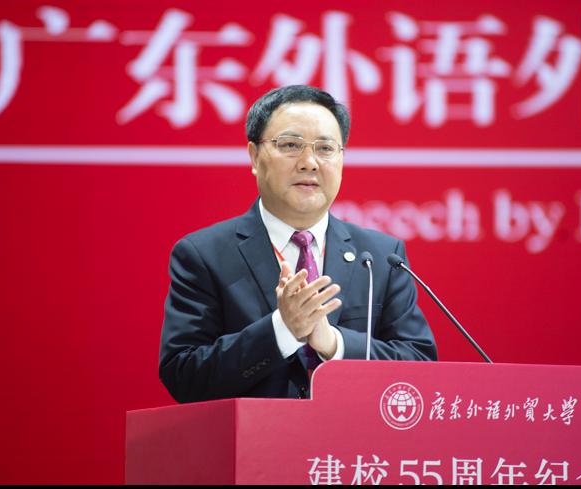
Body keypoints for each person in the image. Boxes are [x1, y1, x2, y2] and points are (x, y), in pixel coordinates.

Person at [159, 85, 437, 402]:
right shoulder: (204, 255)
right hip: (254, 433)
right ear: (254, 156)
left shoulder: (381, 256)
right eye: (290, 145)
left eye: (325, 148)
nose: (309, 162)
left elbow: (419, 365)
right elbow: (184, 374)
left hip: (352, 435)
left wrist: (334, 343)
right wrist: (282, 330)